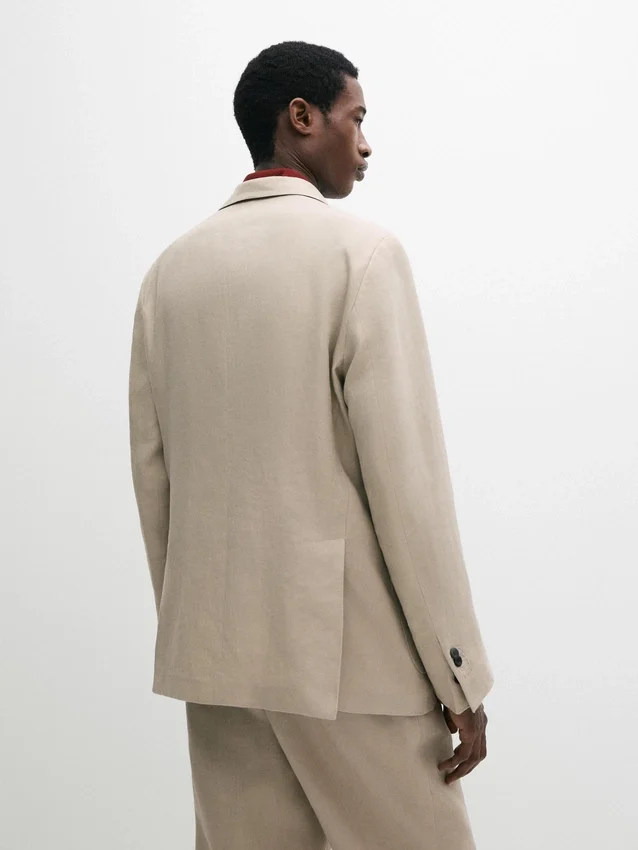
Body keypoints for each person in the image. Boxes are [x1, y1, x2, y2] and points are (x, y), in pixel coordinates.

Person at [129, 39, 494, 850]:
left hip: (216, 657)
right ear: (301, 117)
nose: (366, 144)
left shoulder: (168, 276)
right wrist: (458, 673)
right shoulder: (361, 256)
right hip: (350, 665)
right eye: (355, 119)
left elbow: (156, 485)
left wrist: (196, 628)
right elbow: (408, 490)